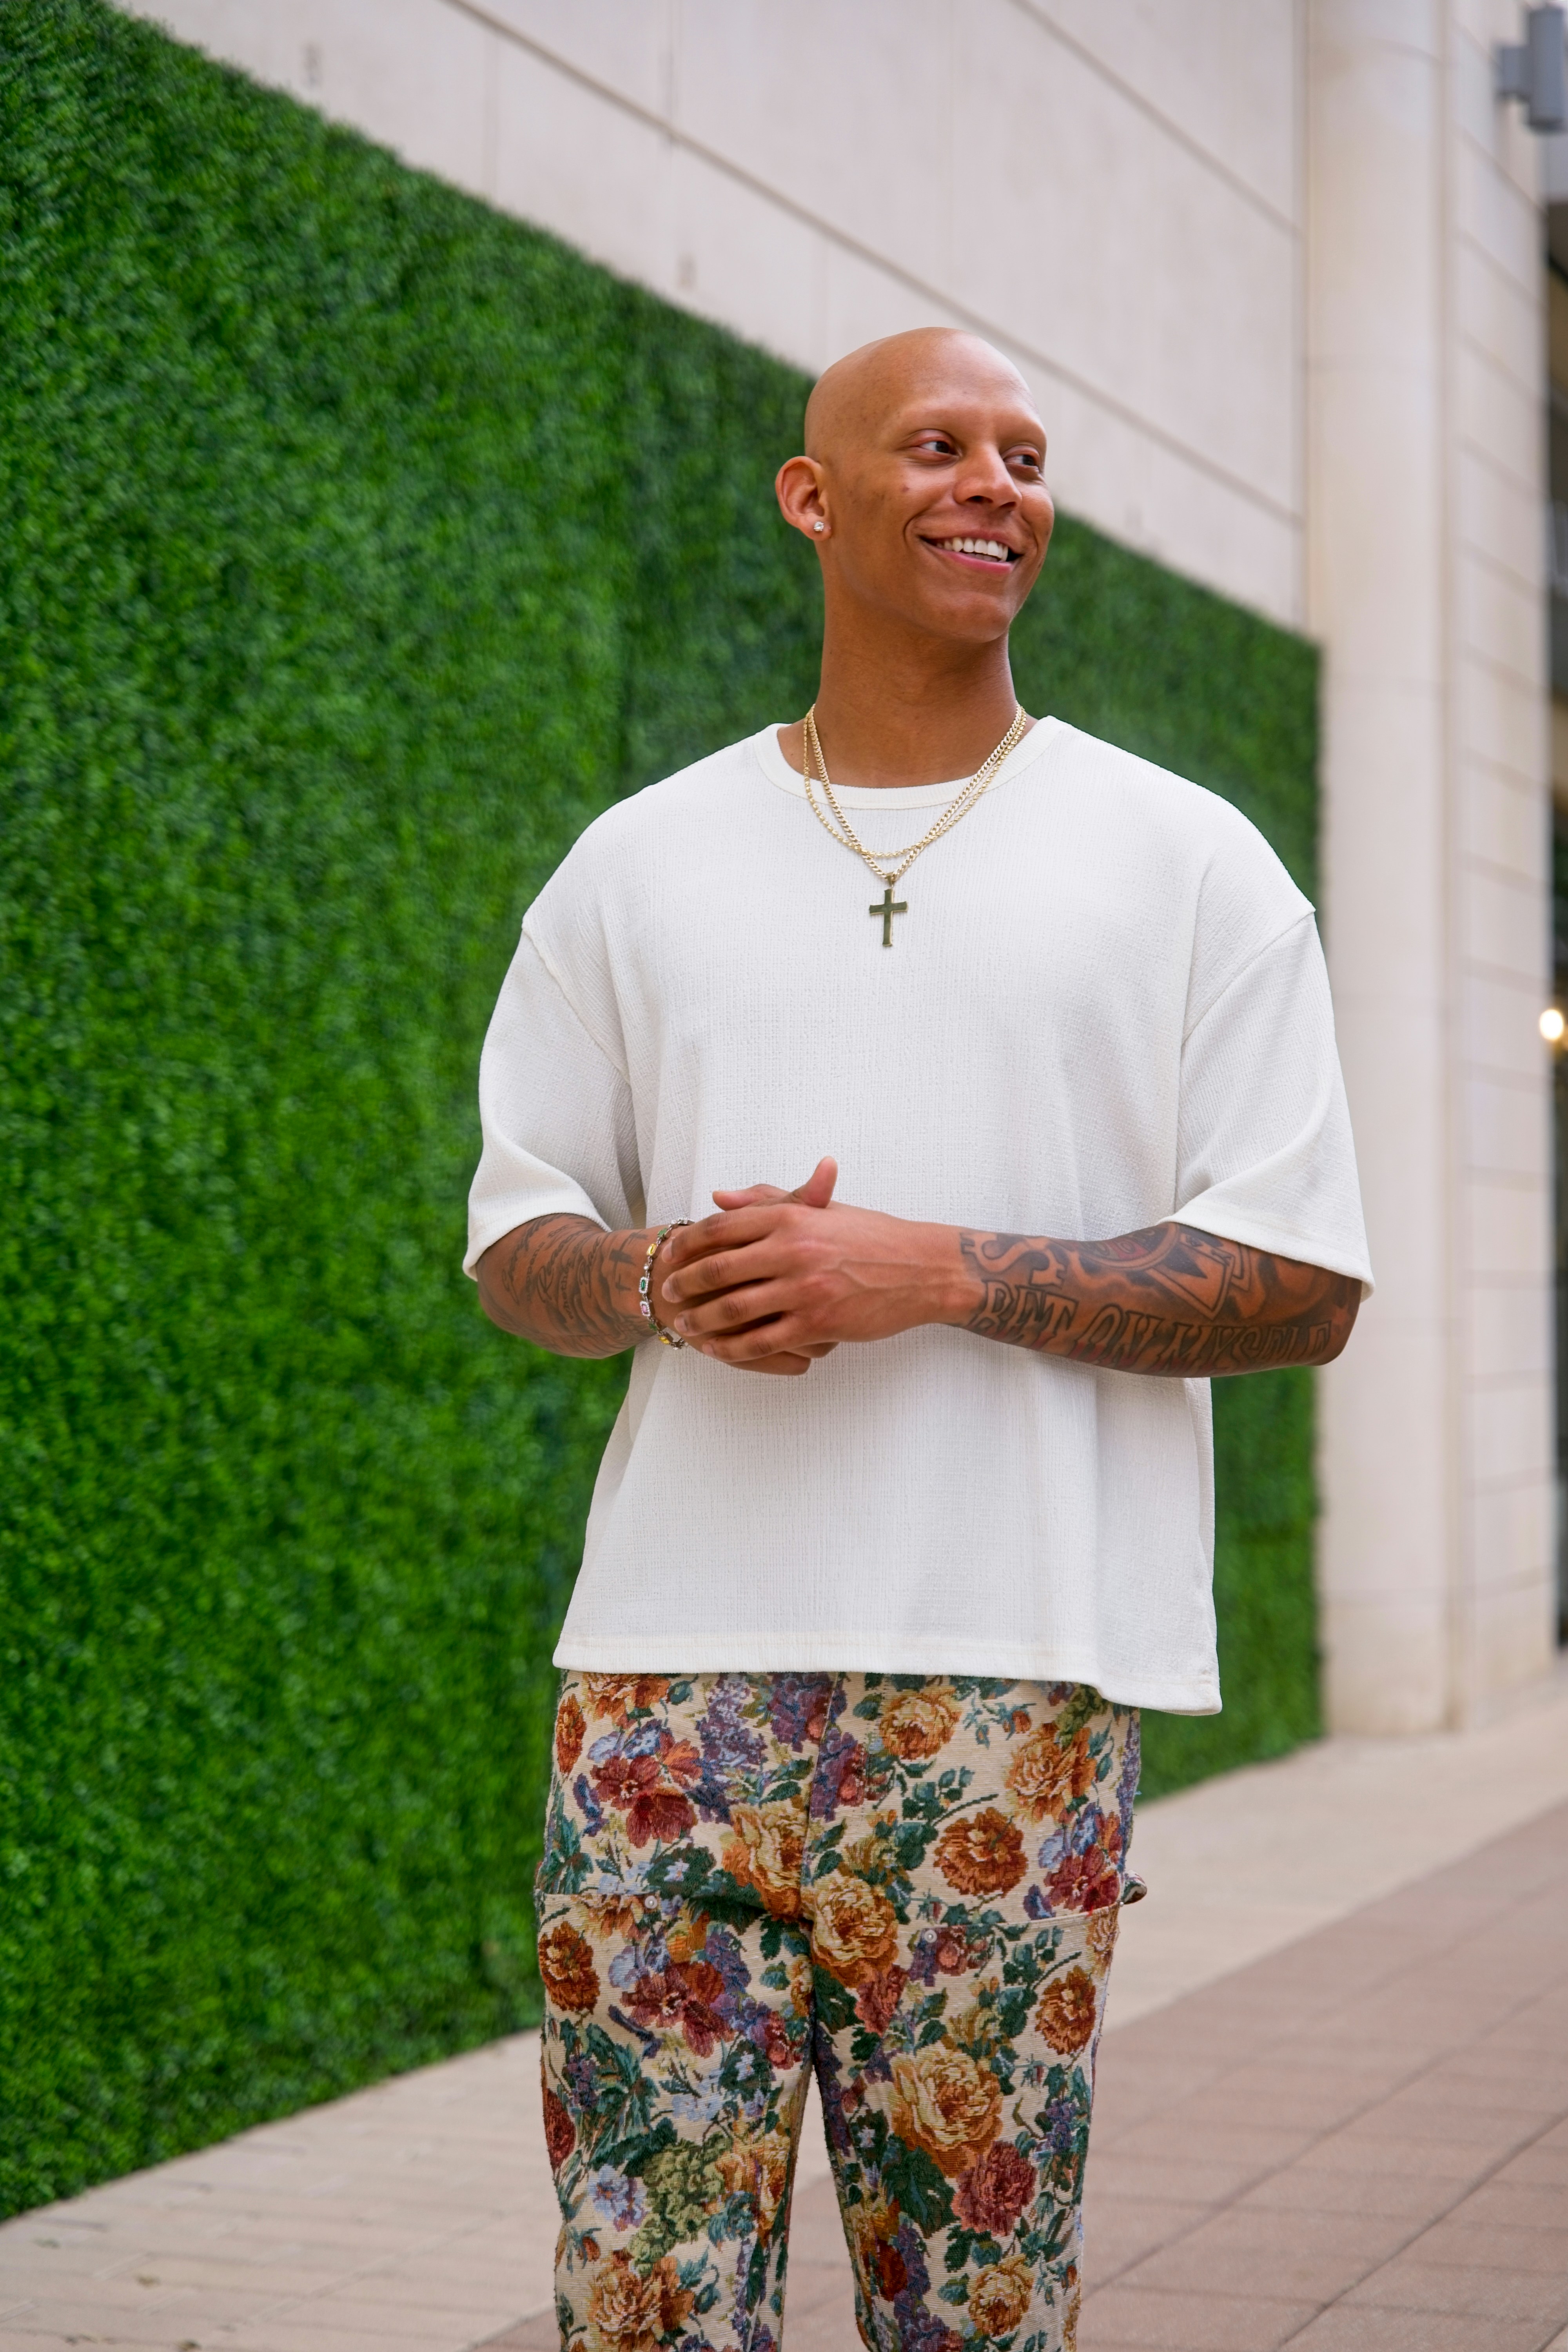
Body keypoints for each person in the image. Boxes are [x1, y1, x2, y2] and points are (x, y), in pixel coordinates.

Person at [465, 328, 1370, 2352]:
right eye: (940, 443)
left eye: (1028, 454)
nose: (994, 484)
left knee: (976, 2314)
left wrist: (935, 1269)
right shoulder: (639, 863)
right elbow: (517, 1230)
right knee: (639, 2311)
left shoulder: (1189, 863)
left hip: (1011, 1695)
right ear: (813, 493)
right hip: (658, 1701)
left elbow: (1303, 1281)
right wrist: (654, 1286)